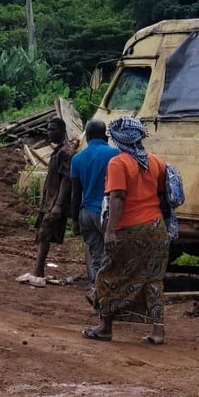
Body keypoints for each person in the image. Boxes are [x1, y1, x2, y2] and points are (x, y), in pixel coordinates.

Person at [82, 117, 169, 344]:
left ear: (119, 139)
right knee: (153, 278)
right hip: (156, 227)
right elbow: (161, 195)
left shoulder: (118, 163)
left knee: (108, 275)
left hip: (130, 228)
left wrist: (110, 232)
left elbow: (117, 197)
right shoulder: (156, 162)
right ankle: (158, 331)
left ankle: (105, 327)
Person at [70, 120, 117, 303]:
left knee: (97, 255)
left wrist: (75, 220)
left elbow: (75, 193)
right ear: (105, 135)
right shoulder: (115, 154)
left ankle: (97, 292)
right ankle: (108, 296)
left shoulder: (77, 158)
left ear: (87, 137)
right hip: (107, 213)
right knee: (112, 256)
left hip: (86, 212)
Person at [34, 117, 73, 278]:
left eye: (53, 130)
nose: (49, 133)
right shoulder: (58, 151)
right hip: (48, 200)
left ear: (63, 132)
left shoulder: (65, 152)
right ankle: (39, 269)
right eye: (48, 129)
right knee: (43, 234)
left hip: (54, 202)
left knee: (45, 234)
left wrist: (58, 204)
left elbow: (66, 179)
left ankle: (39, 270)